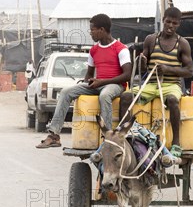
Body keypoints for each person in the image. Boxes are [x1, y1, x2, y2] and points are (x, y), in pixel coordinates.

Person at [36, 13, 132, 149]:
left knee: (104, 95)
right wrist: (86, 83)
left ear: (102, 30)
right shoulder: (93, 50)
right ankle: (54, 135)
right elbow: (89, 74)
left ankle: (108, 138)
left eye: (92, 30)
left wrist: (102, 82)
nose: (90, 33)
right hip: (99, 84)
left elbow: (127, 75)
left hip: (115, 85)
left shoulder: (121, 49)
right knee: (66, 92)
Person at [119, 7, 193, 158]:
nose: (170, 26)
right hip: (151, 84)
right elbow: (142, 66)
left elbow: (189, 71)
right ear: (163, 20)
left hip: (171, 85)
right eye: (168, 22)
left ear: (178, 24)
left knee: (172, 100)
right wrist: (141, 62)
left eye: (174, 23)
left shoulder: (182, 44)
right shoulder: (151, 40)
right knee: (126, 97)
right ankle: (124, 137)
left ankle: (176, 143)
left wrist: (167, 69)